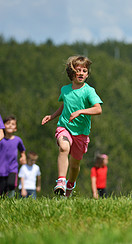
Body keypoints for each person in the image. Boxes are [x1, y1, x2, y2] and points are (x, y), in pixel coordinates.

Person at [41, 55, 103, 197]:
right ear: (71, 72)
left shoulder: (89, 91)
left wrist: (81, 111)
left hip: (81, 132)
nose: (81, 73)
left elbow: (98, 109)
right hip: (64, 126)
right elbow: (65, 105)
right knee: (64, 147)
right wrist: (52, 116)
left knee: (75, 165)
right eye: (78, 70)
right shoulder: (65, 90)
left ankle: (70, 184)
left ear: (87, 74)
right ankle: (61, 181)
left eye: (85, 71)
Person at [0, 116, 26, 198]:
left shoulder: (18, 140)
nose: (10, 125)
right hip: (1, 169)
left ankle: (11, 199)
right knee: (2, 189)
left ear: (15, 128)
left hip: (12, 168)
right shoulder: (1, 140)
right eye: (8, 124)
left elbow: (22, 150)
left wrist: (23, 157)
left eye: (13, 124)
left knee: (11, 184)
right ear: (3, 126)